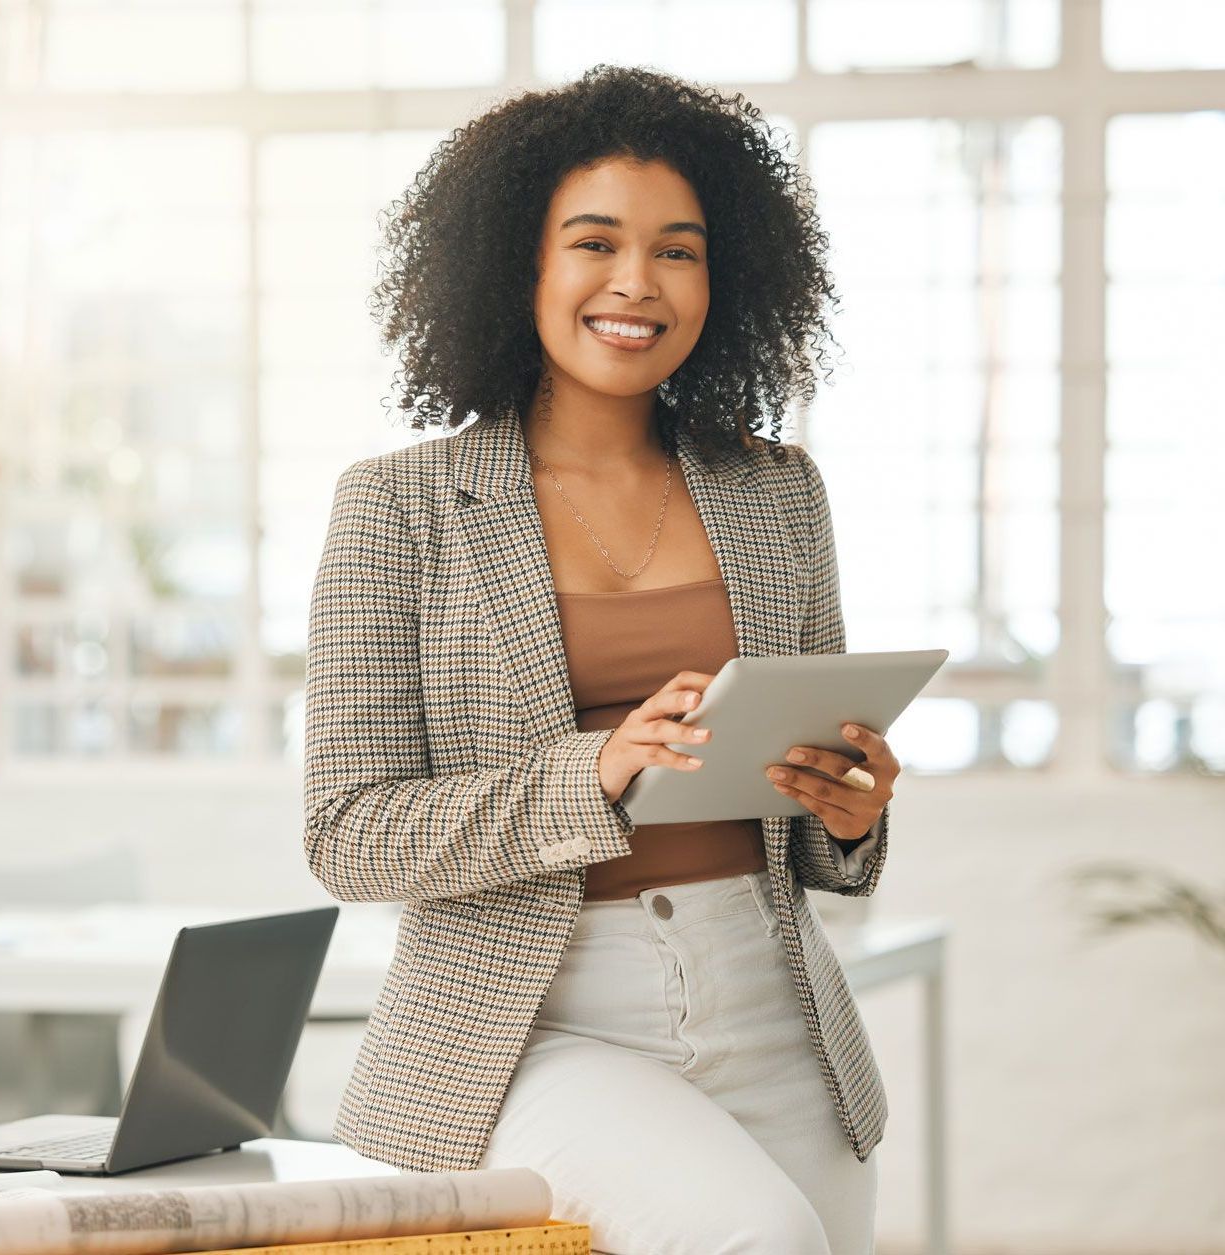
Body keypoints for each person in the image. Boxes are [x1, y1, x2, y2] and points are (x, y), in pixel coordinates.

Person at [304, 64, 901, 1255]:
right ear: (515, 262)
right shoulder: (400, 506)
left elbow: (831, 838)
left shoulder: (779, 491)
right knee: (755, 1236)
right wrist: (597, 770)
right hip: (537, 1019)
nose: (636, 283)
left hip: (771, 995)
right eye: (593, 243)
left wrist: (851, 808)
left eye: (677, 250)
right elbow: (348, 833)